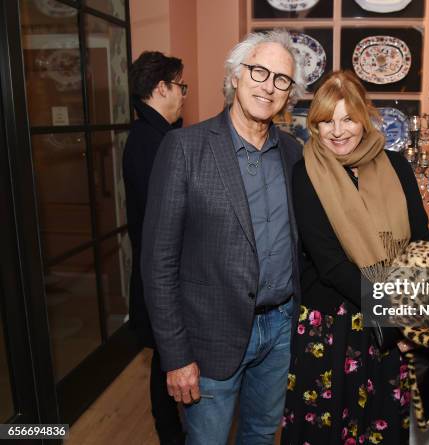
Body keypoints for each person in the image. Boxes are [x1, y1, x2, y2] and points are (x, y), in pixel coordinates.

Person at [141, 30, 306, 445]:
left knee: (262, 435)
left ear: (289, 94)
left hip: (281, 328)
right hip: (210, 337)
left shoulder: (293, 154)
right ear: (236, 76)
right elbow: (158, 264)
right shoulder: (184, 148)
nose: (268, 86)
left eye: (281, 79)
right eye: (258, 71)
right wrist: (176, 356)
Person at [281, 70, 429, 445]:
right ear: (314, 125)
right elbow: (330, 265)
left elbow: (420, 242)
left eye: (347, 118)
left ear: (364, 118)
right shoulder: (307, 173)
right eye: (327, 120)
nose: (338, 130)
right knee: (324, 433)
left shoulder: (396, 166)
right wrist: (397, 318)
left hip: (388, 330)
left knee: (381, 429)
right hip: (333, 328)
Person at [123, 50, 187, 445]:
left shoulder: (153, 135)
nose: (184, 95)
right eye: (181, 86)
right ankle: (171, 436)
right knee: (170, 360)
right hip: (161, 273)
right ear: (160, 88)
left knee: (167, 359)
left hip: (156, 271)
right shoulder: (153, 141)